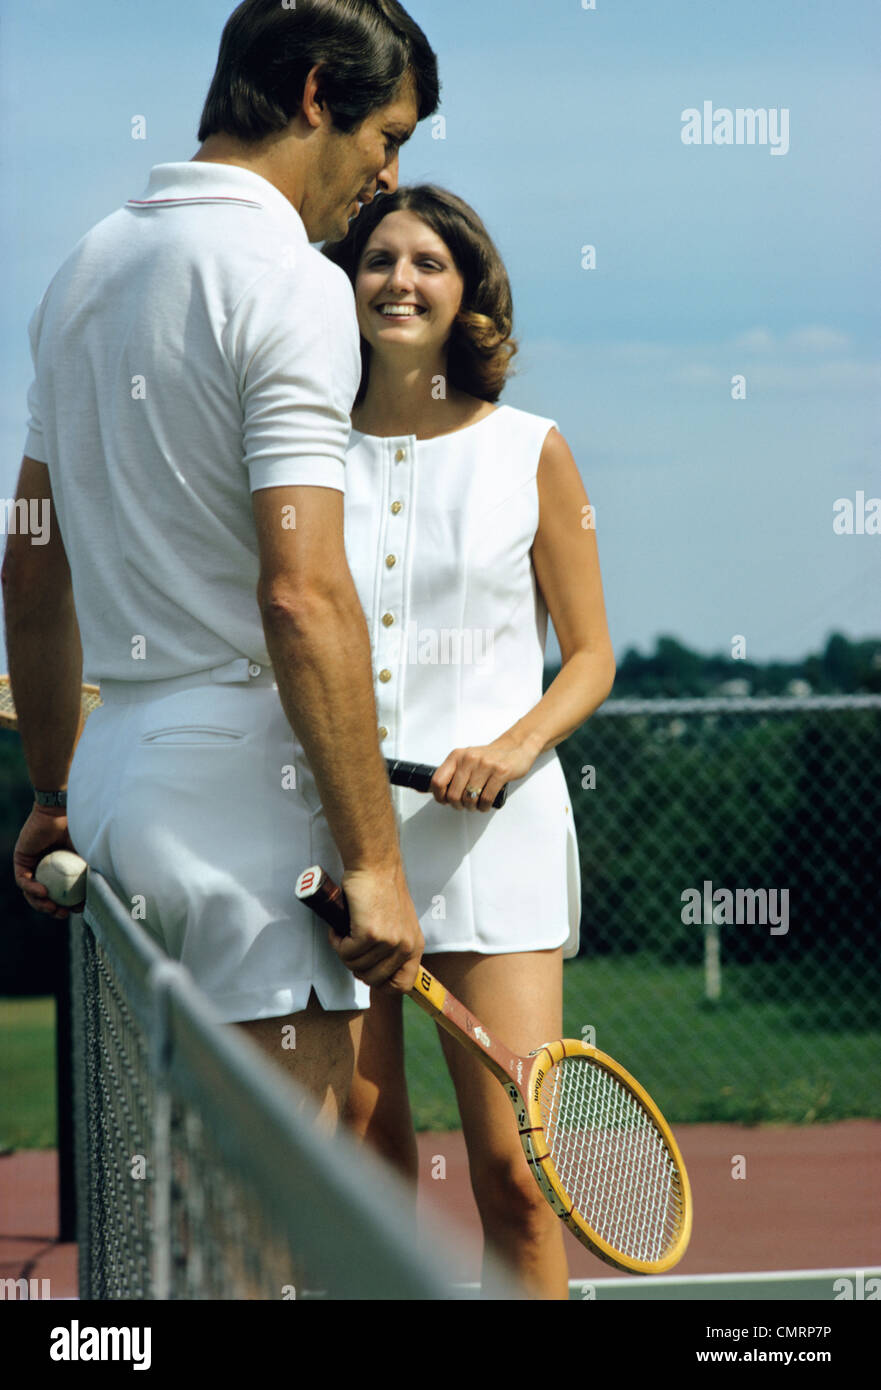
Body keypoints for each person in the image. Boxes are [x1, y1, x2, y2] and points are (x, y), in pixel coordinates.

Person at [1, 0, 440, 1131]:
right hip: (244, 803)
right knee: (265, 1226)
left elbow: (30, 568)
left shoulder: (82, 269)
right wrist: (376, 865)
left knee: (167, 1211)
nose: (385, 177)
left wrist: (54, 791)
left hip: (113, 792)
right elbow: (302, 591)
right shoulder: (288, 280)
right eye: (385, 136)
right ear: (310, 95)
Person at [322, 185, 617, 1296]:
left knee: (517, 1180)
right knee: (364, 1165)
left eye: (428, 262)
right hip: (335, 840)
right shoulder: (298, 450)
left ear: (467, 292)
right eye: (376, 260)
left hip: (493, 843)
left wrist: (509, 743)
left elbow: (588, 654)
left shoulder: (531, 450)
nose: (399, 280)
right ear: (341, 286)